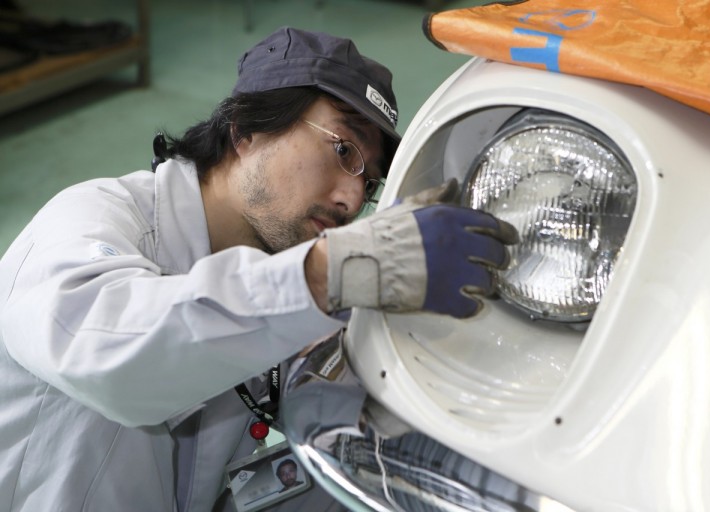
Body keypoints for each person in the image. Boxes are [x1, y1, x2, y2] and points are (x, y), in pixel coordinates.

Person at [0, 26, 518, 512]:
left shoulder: (273, 273)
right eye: (343, 150)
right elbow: (109, 358)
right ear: (246, 129)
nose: (352, 198)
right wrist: (330, 273)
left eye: (369, 181)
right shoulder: (88, 221)